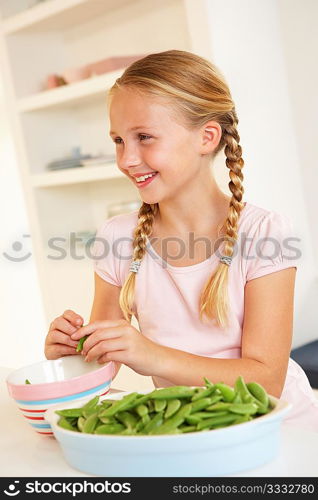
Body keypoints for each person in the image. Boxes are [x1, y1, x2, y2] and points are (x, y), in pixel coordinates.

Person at [44, 49, 318, 430]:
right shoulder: (117, 238)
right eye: (119, 141)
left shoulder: (263, 233)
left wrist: (150, 355)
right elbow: (101, 364)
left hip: (279, 429)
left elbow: (266, 381)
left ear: (206, 137)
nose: (126, 159)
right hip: (185, 433)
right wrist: (69, 354)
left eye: (144, 137)